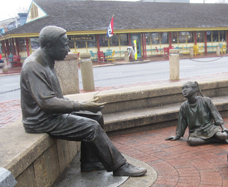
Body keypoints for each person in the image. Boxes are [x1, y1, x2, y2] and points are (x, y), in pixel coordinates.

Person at [20, 25, 146, 177]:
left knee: (96, 117)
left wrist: (83, 107)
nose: (68, 49)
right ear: (49, 46)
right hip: (41, 120)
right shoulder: (34, 66)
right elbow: (47, 102)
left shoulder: (47, 60)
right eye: (64, 45)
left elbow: (55, 98)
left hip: (51, 115)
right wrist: (82, 105)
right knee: (91, 126)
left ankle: (90, 162)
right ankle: (120, 166)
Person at [165, 81, 228, 146]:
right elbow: (182, 122)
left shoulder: (206, 100)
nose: (184, 90)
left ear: (194, 89)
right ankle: (212, 140)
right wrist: (178, 135)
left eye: (186, 87)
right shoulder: (184, 106)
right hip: (196, 131)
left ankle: (220, 137)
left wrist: (223, 128)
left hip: (210, 128)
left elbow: (215, 114)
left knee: (222, 136)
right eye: (183, 88)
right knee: (191, 141)